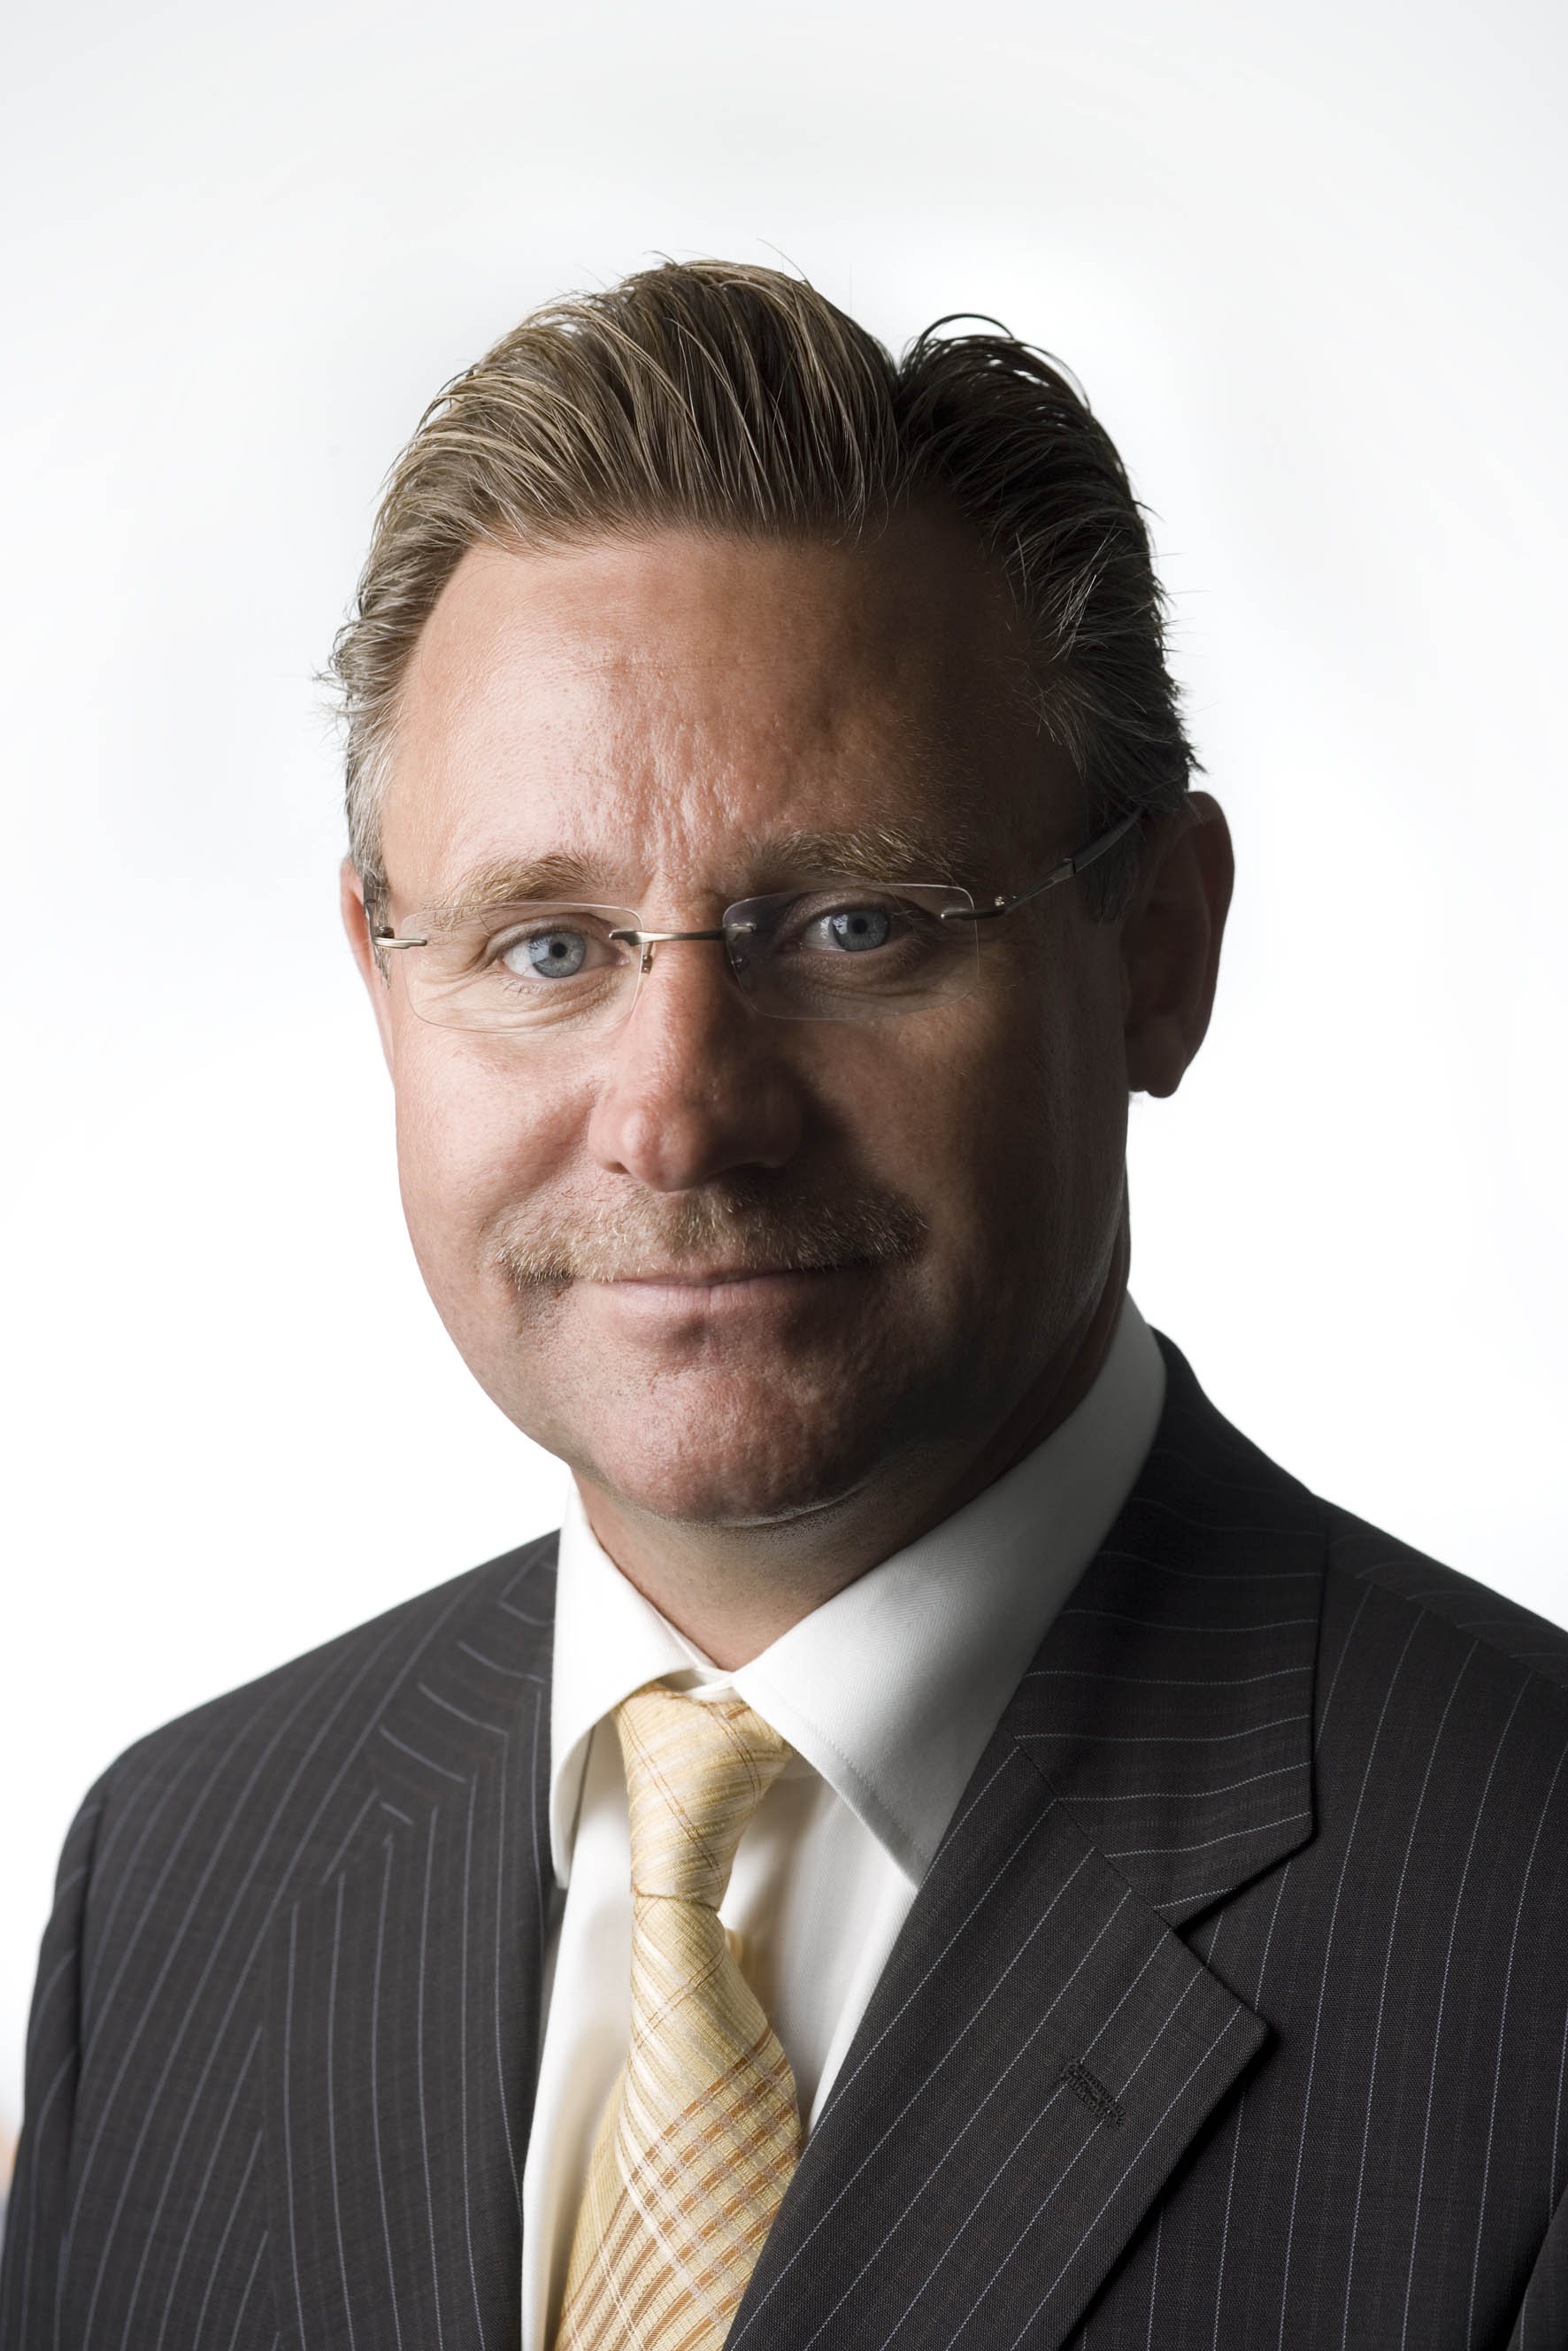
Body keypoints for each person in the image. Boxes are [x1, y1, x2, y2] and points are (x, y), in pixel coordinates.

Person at [3, 261, 1564, 2351]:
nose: (675, 1117)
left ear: (1160, 952)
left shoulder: (1528, 1926)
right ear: (384, 986)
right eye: (546, 946)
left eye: (849, 925)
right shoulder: (175, 1886)